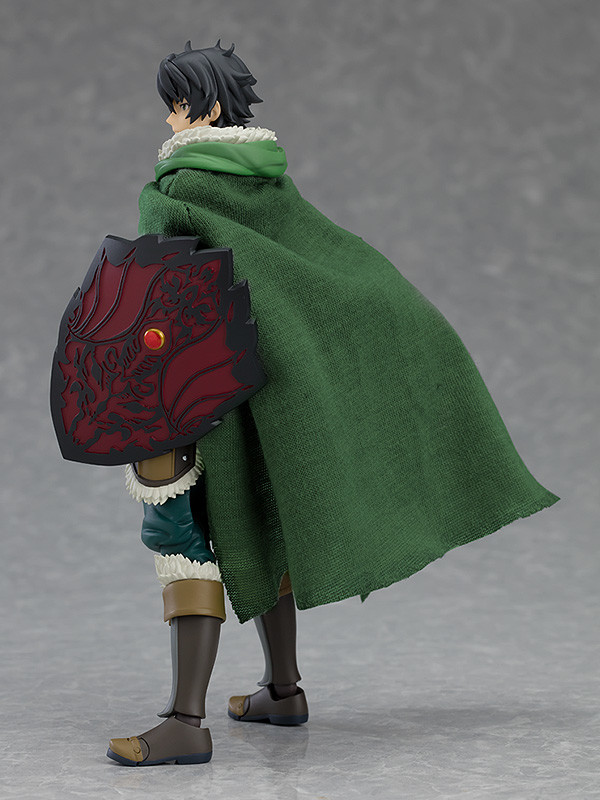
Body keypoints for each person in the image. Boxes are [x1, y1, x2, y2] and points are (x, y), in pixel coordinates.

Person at [56, 41, 559, 766]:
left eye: (177, 103)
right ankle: (282, 690)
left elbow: (160, 306)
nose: (168, 118)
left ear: (205, 108)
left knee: (181, 538)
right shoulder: (273, 186)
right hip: (271, 397)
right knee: (268, 524)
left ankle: (186, 722)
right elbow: (321, 275)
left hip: (195, 403)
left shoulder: (175, 191)